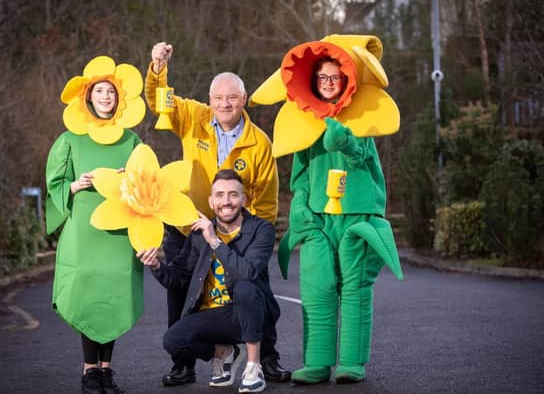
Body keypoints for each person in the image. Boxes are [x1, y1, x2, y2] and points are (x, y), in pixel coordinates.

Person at [143, 42, 289, 385]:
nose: (225, 103)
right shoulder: (193, 117)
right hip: (187, 225)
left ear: (244, 99)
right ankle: (183, 363)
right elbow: (158, 100)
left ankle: (266, 357)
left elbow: (266, 197)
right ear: (210, 100)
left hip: (238, 231)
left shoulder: (259, 142)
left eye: (232, 97)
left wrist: (256, 236)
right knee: (180, 294)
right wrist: (158, 68)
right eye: (219, 97)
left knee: (255, 288)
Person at [279, 53, 403, 384]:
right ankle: (317, 363)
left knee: (355, 289)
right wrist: (301, 206)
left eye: (335, 77)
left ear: (345, 80)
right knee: (317, 288)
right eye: (323, 78)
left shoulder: (360, 118)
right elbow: (300, 173)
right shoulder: (304, 122)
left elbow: (363, 157)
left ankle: (352, 362)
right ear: (314, 82)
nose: (329, 83)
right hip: (319, 218)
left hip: (355, 216)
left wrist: (347, 142)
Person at [46, 56, 145, 394]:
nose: (105, 97)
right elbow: (54, 184)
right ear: (88, 96)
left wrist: (128, 180)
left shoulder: (132, 141)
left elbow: (147, 180)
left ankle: (106, 371)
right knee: (89, 295)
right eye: (99, 91)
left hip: (119, 234)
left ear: (120, 98)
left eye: (111, 91)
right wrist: (76, 185)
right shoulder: (70, 139)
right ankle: (89, 370)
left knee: (114, 294)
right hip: (84, 234)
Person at [138, 169, 280, 393]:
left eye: (233, 195)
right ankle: (224, 353)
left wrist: (215, 241)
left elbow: (248, 272)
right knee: (173, 341)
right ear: (211, 202)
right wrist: (156, 266)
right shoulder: (198, 234)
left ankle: (254, 366)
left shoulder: (261, 230)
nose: (227, 201)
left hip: (251, 312)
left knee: (244, 288)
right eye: (220, 195)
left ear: (244, 199)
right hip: (213, 315)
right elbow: (180, 279)